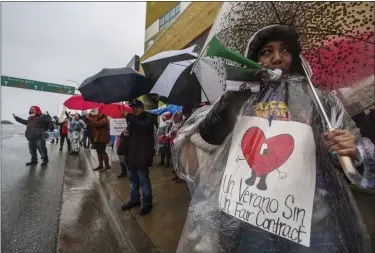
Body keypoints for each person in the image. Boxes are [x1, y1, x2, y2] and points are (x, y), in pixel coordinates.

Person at [174, 25, 374, 252]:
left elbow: (356, 162)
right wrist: (236, 93)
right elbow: (210, 136)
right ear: (255, 59)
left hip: (313, 221)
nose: (277, 58)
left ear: (295, 58)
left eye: (285, 50)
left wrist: (353, 151)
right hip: (251, 219)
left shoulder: (322, 100)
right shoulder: (241, 96)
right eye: (267, 51)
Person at [121, 99, 156, 216]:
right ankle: (134, 200)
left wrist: (129, 116)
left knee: (143, 179)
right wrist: (124, 134)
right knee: (132, 180)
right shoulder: (132, 121)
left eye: (136, 107)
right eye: (132, 108)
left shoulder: (149, 117)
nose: (134, 109)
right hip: (131, 156)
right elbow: (128, 136)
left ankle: (147, 203)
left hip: (142, 156)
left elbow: (143, 127)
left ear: (142, 107)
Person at [116, 113, 130, 178]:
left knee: (126, 159)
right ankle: (123, 171)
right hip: (119, 143)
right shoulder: (115, 121)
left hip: (126, 144)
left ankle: (128, 172)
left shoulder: (129, 124)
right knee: (121, 158)